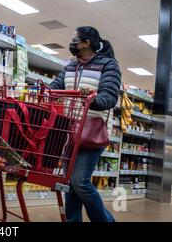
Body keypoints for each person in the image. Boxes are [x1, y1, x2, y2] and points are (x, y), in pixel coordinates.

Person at [50, 26, 121, 222]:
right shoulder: (71, 66)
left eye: (74, 39)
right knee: (69, 183)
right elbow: (56, 86)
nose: (71, 43)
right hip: (68, 130)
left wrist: (92, 99)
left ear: (86, 43)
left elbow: (109, 96)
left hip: (92, 130)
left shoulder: (108, 65)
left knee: (80, 182)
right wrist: (44, 91)